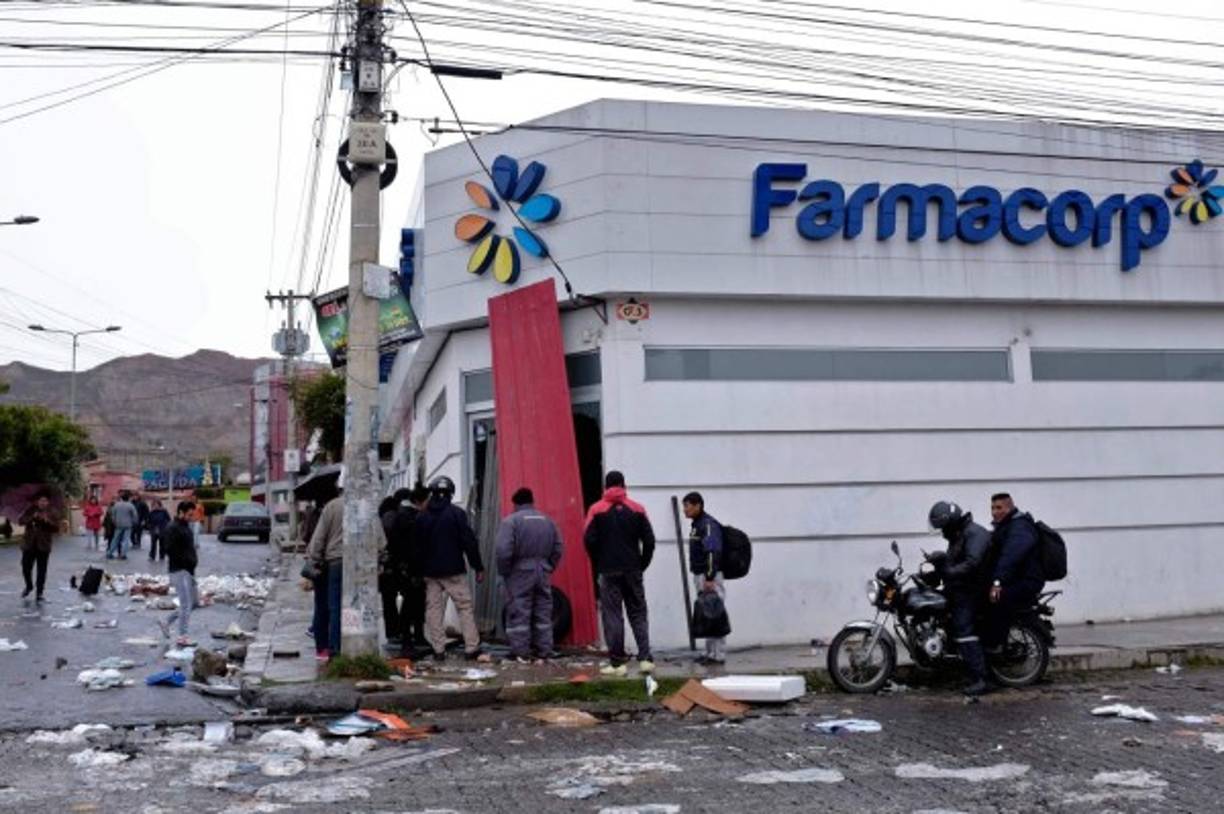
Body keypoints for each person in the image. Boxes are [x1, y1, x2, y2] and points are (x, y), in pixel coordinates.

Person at [306, 473, 387, 661]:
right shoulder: (367, 506)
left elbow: (319, 538)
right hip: (362, 563)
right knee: (357, 606)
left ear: (340, 487)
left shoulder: (331, 507)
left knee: (333, 607)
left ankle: (334, 649)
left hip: (334, 562)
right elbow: (381, 540)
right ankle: (359, 648)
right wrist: (380, 558)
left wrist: (315, 559)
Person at [583, 470, 656, 676]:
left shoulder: (596, 510)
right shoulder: (638, 509)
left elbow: (588, 540)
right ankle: (645, 659)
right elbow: (649, 541)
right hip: (633, 569)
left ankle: (617, 663)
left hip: (608, 571)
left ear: (606, 486)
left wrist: (598, 563)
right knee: (638, 612)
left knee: (613, 615)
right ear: (624, 485)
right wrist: (642, 564)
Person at [415, 476, 485, 662]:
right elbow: (469, 542)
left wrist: (418, 571)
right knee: (464, 608)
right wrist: (477, 566)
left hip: (430, 573)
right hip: (454, 570)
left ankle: (438, 649)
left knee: (434, 610)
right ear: (451, 493)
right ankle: (471, 648)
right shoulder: (457, 514)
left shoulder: (422, 516)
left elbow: (417, 547)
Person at [928, 500, 993, 696]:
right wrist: (934, 572)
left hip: (974, 590)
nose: (941, 531)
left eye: (943, 527)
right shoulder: (958, 535)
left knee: (962, 628)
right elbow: (953, 563)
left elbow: (971, 564)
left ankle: (982, 679)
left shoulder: (975, 533)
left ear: (951, 522)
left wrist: (948, 572)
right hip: (962, 587)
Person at [495, 487, 563, 663]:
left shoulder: (511, 522)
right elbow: (558, 547)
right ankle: (545, 649)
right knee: (543, 611)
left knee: (519, 611)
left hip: (519, 572)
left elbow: (503, 551)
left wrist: (505, 571)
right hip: (543, 570)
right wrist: (549, 566)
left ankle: (520, 652)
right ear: (532, 501)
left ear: (515, 503)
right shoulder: (548, 521)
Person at [985, 493, 1045, 651]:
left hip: (1027, 581)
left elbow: (1010, 557)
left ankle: (996, 645)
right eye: (992, 508)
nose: (995, 512)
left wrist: (997, 582)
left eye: (999, 508)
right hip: (1016, 578)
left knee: (996, 599)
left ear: (1010, 507)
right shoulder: (1006, 526)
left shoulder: (1020, 527)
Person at [682, 491, 727, 666]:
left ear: (697, 505)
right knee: (707, 614)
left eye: (687, 506)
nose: (684, 510)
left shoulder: (707, 524)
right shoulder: (697, 525)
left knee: (715, 614)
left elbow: (712, 551)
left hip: (709, 577)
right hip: (701, 576)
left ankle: (719, 654)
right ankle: (710, 653)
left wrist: (709, 577)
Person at [390, 483, 431, 656]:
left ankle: (418, 635)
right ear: (420, 501)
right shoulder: (407, 517)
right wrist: (406, 567)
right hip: (408, 569)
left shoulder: (412, 515)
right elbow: (402, 545)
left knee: (418, 602)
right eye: (428, 500)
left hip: (414, 568)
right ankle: (407, 638)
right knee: (409, 604)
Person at [159, 501, 199, 647]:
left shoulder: (185, 527)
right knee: (186, 604)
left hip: (189, 570)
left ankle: (167, 622)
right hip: (179, 570)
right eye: (189, 514)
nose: (191, 517)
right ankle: (182, 636)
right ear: (181, 512)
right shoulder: (173, 528)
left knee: (193, 603)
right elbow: (168, 549)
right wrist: (184, 561)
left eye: (192, 514)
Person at [379, 494, 406, 651]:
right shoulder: (393, 518)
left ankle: (392, 632)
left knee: (388, 601)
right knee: (403, 598)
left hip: (385, 567)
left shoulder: (381, 518)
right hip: (393, 566)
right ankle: (398, 630)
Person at [18, 494, 58, 602]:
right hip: (29, 544)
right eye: (41, 500)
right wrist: (32, 518)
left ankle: (39, 593)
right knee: (26, 567)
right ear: (37, 501)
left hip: (43, 546)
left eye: (45, 500)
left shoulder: (52, 512)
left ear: (48, 502)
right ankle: (29, 586)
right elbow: (21, 521)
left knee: (42, 571)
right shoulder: (30, 510)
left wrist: (45, 521)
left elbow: (56, 528)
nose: (43, 503)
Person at [107, 492, 137, 560]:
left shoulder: (116, 505)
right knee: (126, 540)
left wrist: (114, 522)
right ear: (128, 498)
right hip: (128, 525)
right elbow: (135, 515)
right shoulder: (130, 505)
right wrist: (134, 522)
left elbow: (112, 514)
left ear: (121, 498)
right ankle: (123, 554)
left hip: (118, 524)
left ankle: (110, 553)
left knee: (115, 539)